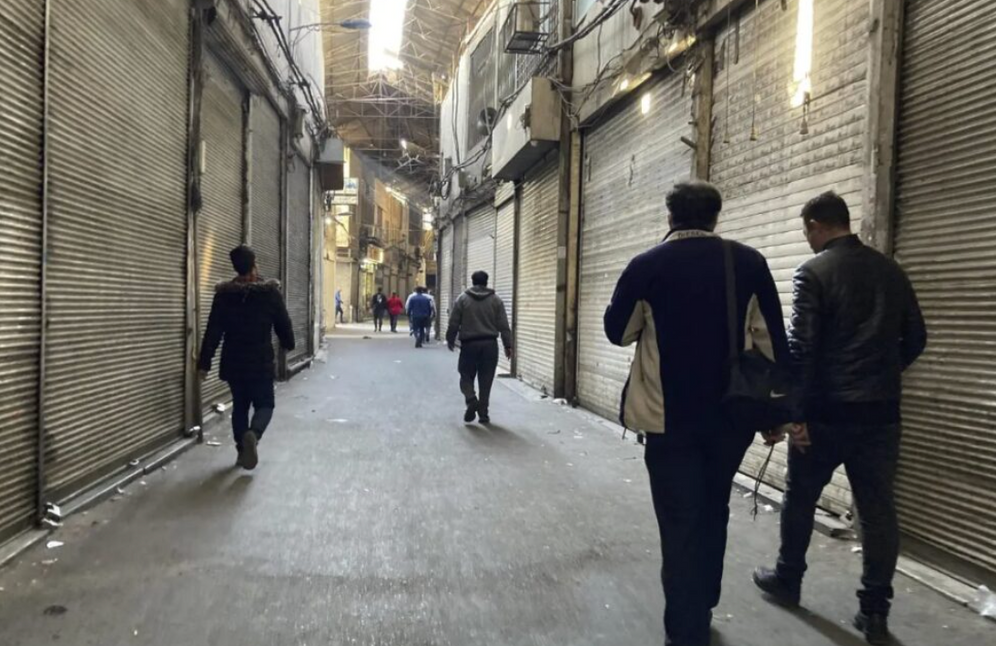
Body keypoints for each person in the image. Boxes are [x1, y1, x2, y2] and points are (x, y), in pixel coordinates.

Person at [604, 181, 792, 646]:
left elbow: (618, 333)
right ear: (715, 218)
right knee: (713, 508)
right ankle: (703, 599)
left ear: (670, 217)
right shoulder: (747, 263)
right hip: (730, 418)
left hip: (669, 421)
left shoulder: (646, 266)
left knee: (679, 519)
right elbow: (773, 344)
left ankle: (685, 628)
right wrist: (779, 413)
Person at [752, 192, 927, 645]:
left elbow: (804, 350)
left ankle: (788, 580)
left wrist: (797, 414)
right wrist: (882, 375)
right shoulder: (891, 270)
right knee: (877, 512)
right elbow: (916, 338)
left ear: (814, 225)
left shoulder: (813, 272)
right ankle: (873, 614)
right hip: (881, 415)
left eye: (805, 231)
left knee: (801, 496)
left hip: (826, 414)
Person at [198, 245, 295, 470]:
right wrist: (288, 343)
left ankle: (242, 451)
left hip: (233, 362)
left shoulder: (224, 296)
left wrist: (204, 363)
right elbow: (284, 322)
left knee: (240, 406)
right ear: (254, 265)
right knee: (265, 404)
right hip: (260, 361)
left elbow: (213, 331)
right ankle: (254, 434)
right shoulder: (269, 293)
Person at [446, 271, 513, 424]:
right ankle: (483, 413)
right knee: (486, 379)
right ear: (487, 282)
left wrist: (450, 339)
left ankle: (471, 400)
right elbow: (503, 325)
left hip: (469, 345)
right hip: (490, 345)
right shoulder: (496, 300)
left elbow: (454, 322)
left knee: (465, 375)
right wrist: (507, 345)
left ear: (472, 281)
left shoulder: (462, 299)